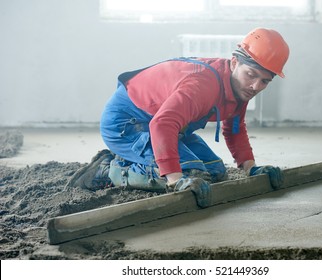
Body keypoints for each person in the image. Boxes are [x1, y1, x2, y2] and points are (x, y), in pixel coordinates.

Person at [69, 27, 289, 208]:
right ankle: (109, 169)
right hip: (126, 123)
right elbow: (162, 124)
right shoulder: (203, 85)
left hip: (165, 124)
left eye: (265, 81)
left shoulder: (241, 88)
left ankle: (140, 158)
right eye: (251, 75)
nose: (255, 86)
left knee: (215, 172)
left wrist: (251, 168)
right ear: (234, 63)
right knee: (189, 173)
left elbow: (234, 128)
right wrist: (175, 180)